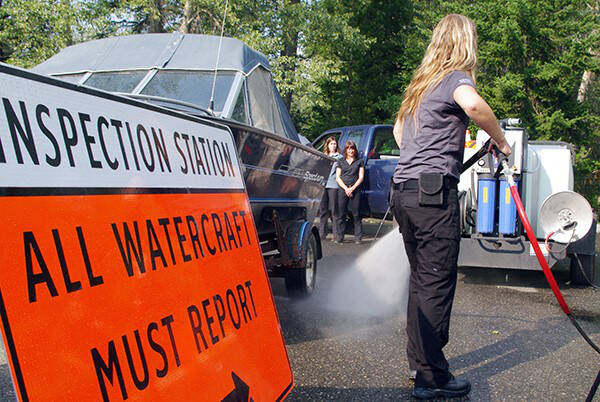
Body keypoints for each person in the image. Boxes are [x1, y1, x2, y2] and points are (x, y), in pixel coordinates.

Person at [391, 14, 511, 400]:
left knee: (420, 283)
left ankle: (419, 363)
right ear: (465, 43)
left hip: (404, 192)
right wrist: (503, 142)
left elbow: (398, 132)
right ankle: (432, 378)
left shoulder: (419, 85)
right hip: (431, 195)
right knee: (436, 283)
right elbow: (474, 106)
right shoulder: (457, 77)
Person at [335, 140, 365, 244]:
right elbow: (338, 177)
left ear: (355, 150)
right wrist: (346, 189)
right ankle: (340, 236)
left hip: (355, 189)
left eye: (352, 148)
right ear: (345, 150)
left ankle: (358, 237)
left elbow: (361, 177)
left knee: (356, 214)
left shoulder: (359, 161)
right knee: (341, 214)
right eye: (348, 148)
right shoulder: (340, 161)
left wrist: (352, 189)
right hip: (343, 190)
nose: (350, 151)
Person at [319, 136, 342, 240]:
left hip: (333, 185)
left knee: (334, 210)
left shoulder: (339, 157)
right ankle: (322, 233)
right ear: (327, 145)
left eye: (334, 144)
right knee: (323, 210)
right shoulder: (323, 156)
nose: (333, 146)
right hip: (323, 185)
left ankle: (336, 234)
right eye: (331, 144)